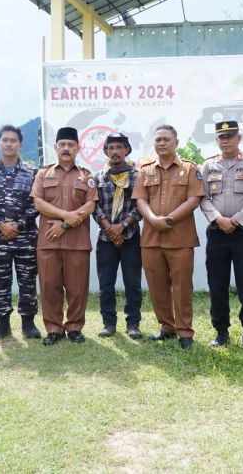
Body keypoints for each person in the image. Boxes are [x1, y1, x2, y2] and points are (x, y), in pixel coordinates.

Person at [132, 124, 204, 350]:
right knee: (157, 286)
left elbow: (194, 199)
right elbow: (140, 200)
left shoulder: (190, 169)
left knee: (182, 287)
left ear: (176, 143)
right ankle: (167, 327)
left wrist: (170, 219)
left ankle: (185, 331)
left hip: (180, 239)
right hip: (151, 239)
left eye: (166, 139)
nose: (161, 143)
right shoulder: (145, 170)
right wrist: (153, 219)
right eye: (158, 140)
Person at [200, 121, 243, 352]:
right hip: (217, 232)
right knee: (216, 283)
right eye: (221, 137)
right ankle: (221, 332)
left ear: (239, 138)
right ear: (217, 140)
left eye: (230, 136)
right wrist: (218, 219)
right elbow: (203, 198)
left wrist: (236, 220)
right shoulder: (208, 165)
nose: (225, 140)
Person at [30, 127, 97, 345]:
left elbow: (90, 205)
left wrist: (65, 224)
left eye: (71, 145)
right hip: (48, 241)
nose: (66, 148)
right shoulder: (43, 174)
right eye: (62, 145)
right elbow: (38, 203)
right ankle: (54, 329)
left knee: (77, 289)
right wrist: (66, 215)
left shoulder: (86, 175)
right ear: (55, 147)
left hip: (78, 243)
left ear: (78, 148)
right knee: (49, 286)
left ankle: (75, 327)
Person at [0, 124, 42, 342]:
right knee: (0, 281)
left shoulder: (32, 172)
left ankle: (28, 322)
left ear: (20, 144)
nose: (9, 144)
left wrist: (19, 225)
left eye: (13, 140)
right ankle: (2, 323)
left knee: (27, 280)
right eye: (5, 140)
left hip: (25, 238)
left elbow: (36, 203)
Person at [92, 133, 144, 340]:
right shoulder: (98, 177)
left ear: (127, 150)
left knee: (133, 283)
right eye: (111, 148)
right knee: (106, 284)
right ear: (105, 151)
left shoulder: (138, 176)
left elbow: (140, 205)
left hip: (130, 237)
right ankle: (109, 323)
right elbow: (94, 207)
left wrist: (121, 227)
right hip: (105, 239)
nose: (115, 151)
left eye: (119, 147)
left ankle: (133, 323)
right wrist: (110, 230)